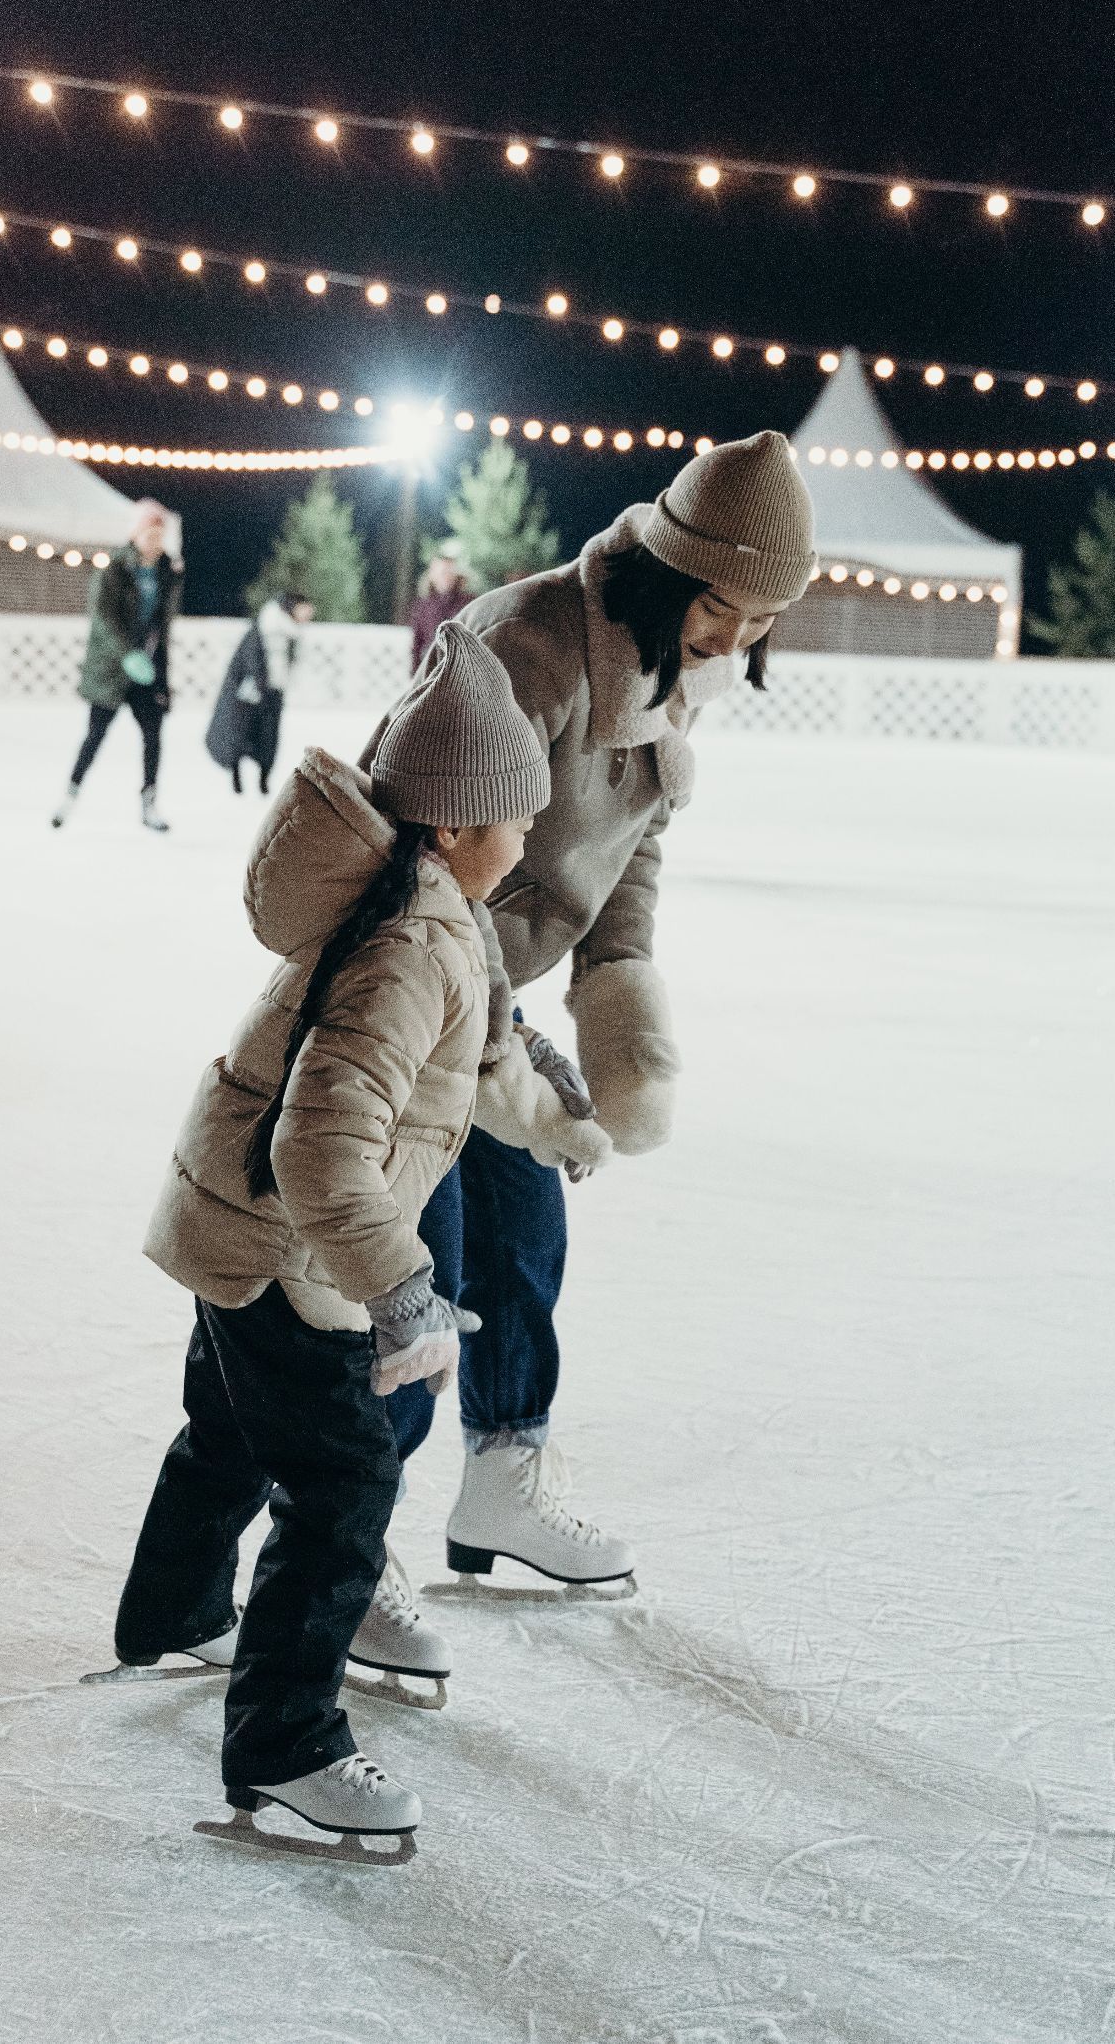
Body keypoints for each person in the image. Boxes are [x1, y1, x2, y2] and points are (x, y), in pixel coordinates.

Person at [98, 624, 551, 1855]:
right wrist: (403, 1286)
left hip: (234, 1220)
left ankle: (180, 1612)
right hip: (281, 1245)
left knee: (235, 1432)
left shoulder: (427, 913)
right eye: (518, 813)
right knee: (345, 1476)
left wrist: (537, 1082)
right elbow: (319, 1150)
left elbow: (451, 1055)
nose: (532, 836)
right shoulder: (412, 944)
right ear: (456, 825)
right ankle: (288, 1748)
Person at [358, 431, 816, 1648]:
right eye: (729, 607)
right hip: (410, 1008)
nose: (743, 639)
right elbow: (406, 831)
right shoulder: (527, 648)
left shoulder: (666, 684)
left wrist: (618, 992)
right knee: (416, 1280)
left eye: (764, 618)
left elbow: (633, 852)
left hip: (494, 1012)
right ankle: (341, 1547)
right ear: (677, 571)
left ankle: (501, 1483)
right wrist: (476, 1030)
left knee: (521, 1249)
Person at [50, 499, 182, 832]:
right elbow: (103, 618)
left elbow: (162, 626)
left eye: (160, 535)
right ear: (136, 534)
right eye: (149, 534)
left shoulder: (168, 571)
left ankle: (149, 803)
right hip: (111, 668)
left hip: (148, 671)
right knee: (95, 735)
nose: (155, 542)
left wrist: (161, 676)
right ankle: (70, 794)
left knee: (153, 737)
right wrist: (126, 654)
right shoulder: (114, 567)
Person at [205, 593, 314, 795]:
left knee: (268, 739)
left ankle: (263, 782)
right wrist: (259, 682)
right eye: (305, 609)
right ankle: (237, 780)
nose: (308, 615)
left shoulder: (293, 633)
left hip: (274, 691)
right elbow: (250, 657)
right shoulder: (266, 626)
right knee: (240, 736)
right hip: (250, 694)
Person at [405, 545, 473, 672]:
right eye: (441, 572)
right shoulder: (422, 606)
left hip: (461, 667)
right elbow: (416, 644)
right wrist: (414, 675)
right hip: (431, 667)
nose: (445, 576)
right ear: (432, 574)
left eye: (449, 571)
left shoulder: (468, 602)